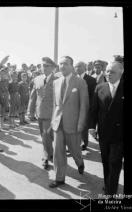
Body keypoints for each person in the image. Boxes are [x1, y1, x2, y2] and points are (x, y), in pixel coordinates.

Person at [49, 56, 89, 188]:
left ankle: (80, 163)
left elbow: (84, 105)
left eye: (65, 63)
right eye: (60, 64)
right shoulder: (56, 82)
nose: (62, 66)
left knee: (75, 150)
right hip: (58, 123)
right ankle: (59, 178)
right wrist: (52, 121)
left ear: (72, 66)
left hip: (73, 124)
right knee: (58, 151)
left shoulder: (80, 82)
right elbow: (55, 104)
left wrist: (81, 124)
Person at [89, 61, 124, 195]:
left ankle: (111, 192)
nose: (109, 74)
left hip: (119, 134)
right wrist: (92, 127)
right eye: (108, 71)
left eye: (112, 72)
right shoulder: (100, 87)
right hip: (103, 133)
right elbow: (94, 110)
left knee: (115, 163)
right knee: (105, 161)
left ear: (121, 72)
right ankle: (108, 184)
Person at [28, 57, 58, 170]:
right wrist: (30, 111)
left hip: (52, 113)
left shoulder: (58, 79)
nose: (44, 68)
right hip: (39, 112)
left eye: (47, 66)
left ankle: (46, 156)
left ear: (53, 68)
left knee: (47, 136)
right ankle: (50, 154)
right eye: (43, 66)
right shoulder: (37, 79)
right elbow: (33, 96)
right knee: (44, 136)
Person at [75, 61, 97, 151]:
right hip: (73, 107)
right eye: (75, 66)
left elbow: (93, 95)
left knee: (83, 126)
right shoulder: (73, 78)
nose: (77, 68)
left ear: (84, 67)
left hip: (85, 107)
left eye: (79, 66)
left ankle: (84, 143)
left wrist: (89, 107)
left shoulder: (91, 80)